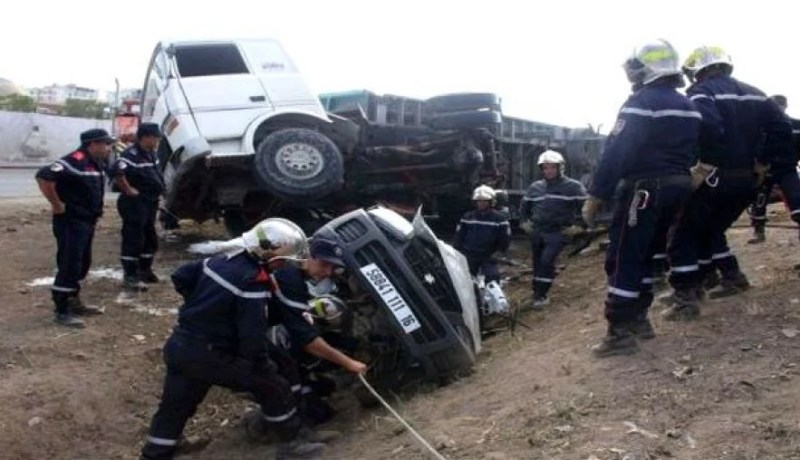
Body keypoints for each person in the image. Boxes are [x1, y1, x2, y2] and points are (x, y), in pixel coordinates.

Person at [140, 219, 363, 460]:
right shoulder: (252, 281)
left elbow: (181, 277)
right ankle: (292, 446)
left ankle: (156, 453)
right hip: (213, 351)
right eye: (284, 258)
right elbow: (251, 334)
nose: (286, 263)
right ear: (269, 254)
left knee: (176, 402)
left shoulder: (219, 261)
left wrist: (206, 311)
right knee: (274, 387)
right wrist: (262, 366)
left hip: (182, 344)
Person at [582, 39, 700, 357]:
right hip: (678, 186)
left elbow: (617, 152)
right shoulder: (688, 105)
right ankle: (639, 320)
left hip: (645, 187)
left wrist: (596, 193)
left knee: (623, 256)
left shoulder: (641, 102)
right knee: (648, 254)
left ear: (643, 70)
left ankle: (619, 332)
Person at [663, 46, 795, 318]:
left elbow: (708, 126)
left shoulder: (701, 92)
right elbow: (782, 129)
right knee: (711, 230)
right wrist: (763, 161)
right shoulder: (756, 93)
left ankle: (686, 296)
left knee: (682, 233)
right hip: (748, 180)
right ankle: (731, 277)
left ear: (698, 70)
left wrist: (706, 162)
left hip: (715, 177)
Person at [35, 129, 113, 328]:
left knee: (82, 263)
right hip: (71, 221)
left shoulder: (96, 162)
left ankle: (73, 300)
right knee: (70, 262)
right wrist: (56, 204)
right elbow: (44, 177)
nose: (109, 148)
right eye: (106, 143)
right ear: (92, 144)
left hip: (86, 221)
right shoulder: (74, 160)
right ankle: (62, 310)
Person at [519, 150, 587, 308]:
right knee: (537, 262)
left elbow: (587, 209)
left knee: (546, 260)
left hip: (558, 232)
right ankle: (536, 292)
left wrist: (578, 226)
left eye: (552, 167)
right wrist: (524, 223)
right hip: (538, 231)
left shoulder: (574, 187)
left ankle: (541, 295)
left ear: (560, 168)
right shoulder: (535, 187)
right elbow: (524, 208)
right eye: (546, 168)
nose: (549, 171)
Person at [109, 123, 166, 291]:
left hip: (150, 202)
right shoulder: (130, 154)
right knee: (134, 238)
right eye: (155, 138)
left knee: (149, 237)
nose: (157, 141)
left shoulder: (151, 154)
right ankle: (130, 275)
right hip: (135, 203)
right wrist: (128, 189)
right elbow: (116, 172)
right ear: (145, 137)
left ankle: (145, 270)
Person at [747, 95, 800, 244]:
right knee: (759, 201)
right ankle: (759, 232)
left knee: (797, 201)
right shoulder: (760, 126)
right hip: (764, 170)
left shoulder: (796, 125)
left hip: (787, 168)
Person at [453, 185, 511, 284]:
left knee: (492, 277)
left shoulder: (500, 219)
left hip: (488, 255)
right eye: (479, 201)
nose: (481, 204)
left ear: (491, 202)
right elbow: (459, 236)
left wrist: (499, 252)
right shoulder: (467, 217)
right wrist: (457, 252)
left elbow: (505, 239)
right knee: (464, 279)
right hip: (469, 255)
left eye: (485, 201)